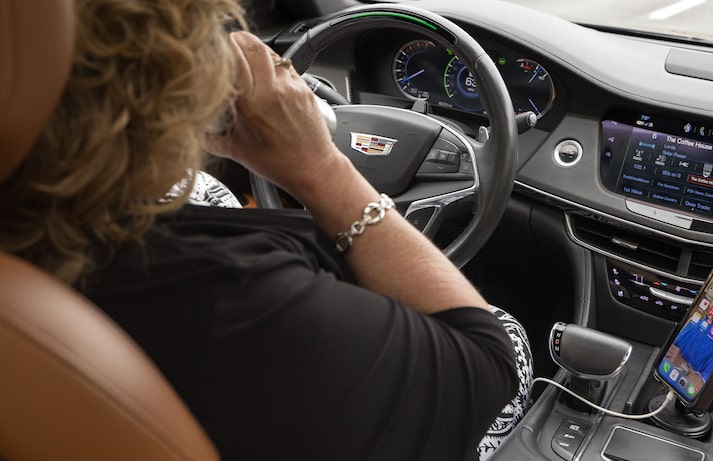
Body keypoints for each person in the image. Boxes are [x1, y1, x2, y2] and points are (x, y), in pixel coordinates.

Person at [0, 0, 529, 459]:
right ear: (160, 92)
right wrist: (321, 168)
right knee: (512, 330)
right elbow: (487, 363)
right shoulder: (227, 298)